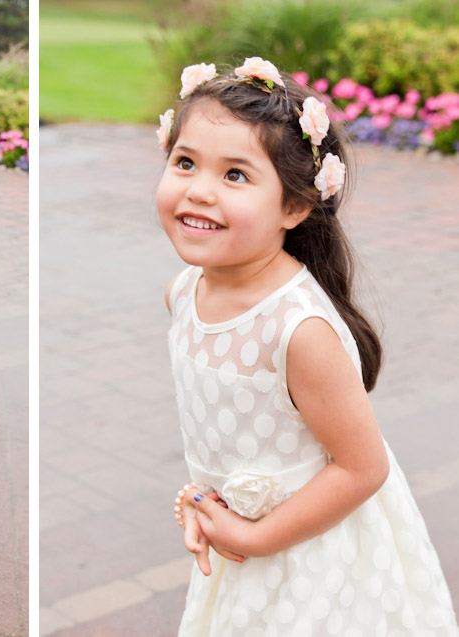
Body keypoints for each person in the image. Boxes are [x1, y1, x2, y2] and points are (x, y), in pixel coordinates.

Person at [158, 58, 458, 634]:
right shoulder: (183, 293)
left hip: (318, 566)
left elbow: (362, 467)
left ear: (295, 207)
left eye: (236, 176)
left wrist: (254, 535)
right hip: (242, 556)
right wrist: (202, 508)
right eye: (185, 162)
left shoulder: (299, 331)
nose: (198, 191)